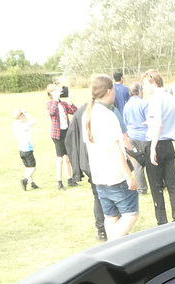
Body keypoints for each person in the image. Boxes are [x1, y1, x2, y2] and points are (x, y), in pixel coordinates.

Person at [82, 74, 139, 240]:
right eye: (113, 89)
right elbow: (115, 149)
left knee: (111, 216)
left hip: (99, 175)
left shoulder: (88, 113)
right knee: (131, 214)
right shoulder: (108, 115)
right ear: (108, 92)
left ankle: (113, 249)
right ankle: (111, 246)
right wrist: (129, 176)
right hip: (115, 176)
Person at [141, 69, 175, 226]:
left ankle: (162, 222)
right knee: (172, 185)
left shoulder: (155, 99)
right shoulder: (170, 98)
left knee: (156, 187)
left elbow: (158, 123)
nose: (145, 88)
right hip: (169, 144)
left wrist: (152, 149)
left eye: (146, 84)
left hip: (157, 144)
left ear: (153, 82)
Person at [65, 100, 107, 241]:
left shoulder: (80, 112)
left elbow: (70, 139)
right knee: (107, 194)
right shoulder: (102, 110)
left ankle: (102, 230)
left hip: (87, 161)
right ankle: (105, 228)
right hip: (98, 160)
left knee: (99, 195)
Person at [46, 84, 78, 190]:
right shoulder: (50, 103)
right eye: (56, 90)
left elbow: (74, 111)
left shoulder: (63, 103)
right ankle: (59, 183)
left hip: (66, 132)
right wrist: (55, 99)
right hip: (57, 134)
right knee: (59, 159)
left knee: (67, 158)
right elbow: (52, 112)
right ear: (51, 92)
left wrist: (70, 102)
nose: (59, 92)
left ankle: (70, 180)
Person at [123, 82, 149, 195]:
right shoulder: (144, 104)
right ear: (139, 91)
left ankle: (141, 188)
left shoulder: (126, 105)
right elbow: (150, 120)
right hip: (145, 136)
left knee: (138, 163)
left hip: (132, 137)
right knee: (151, 162)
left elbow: (125, 123)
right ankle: (157, 184)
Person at [12, 108, 39, 191]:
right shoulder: (23, 126)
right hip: (27, 148)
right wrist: (26, 113)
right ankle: (25, 180)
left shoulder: (14, 125)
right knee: (33, 167)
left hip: (21, 149)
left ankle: (32, 183)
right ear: (20, 116)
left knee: (27, 167)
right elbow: (34, 121)